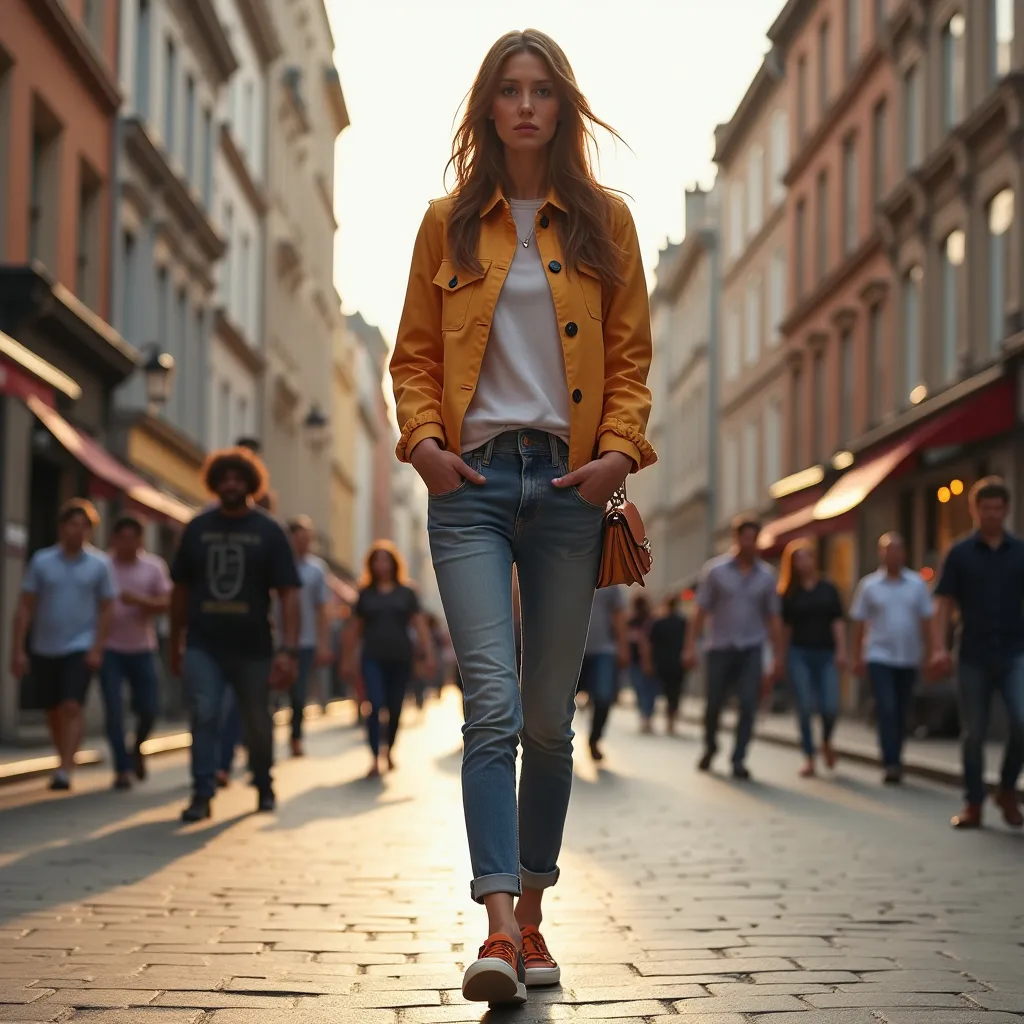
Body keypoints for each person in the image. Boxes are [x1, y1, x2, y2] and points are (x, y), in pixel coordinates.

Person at [389, 29, 654, 1006]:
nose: (527, 106)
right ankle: (498, 927)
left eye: (543, 89)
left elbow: (630, 359)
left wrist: (617, 455)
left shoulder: (604, 225)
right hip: (470, 488)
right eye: (510, 89)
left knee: (548, 722)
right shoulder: (446, 226)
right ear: (487, 107)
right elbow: (414, 354)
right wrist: (422, 446)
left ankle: (535, 911)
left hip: (568, 490)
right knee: (490, 709)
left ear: (563, 107)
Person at [170, 447, 301, 821]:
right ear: (214, 483)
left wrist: (289, 649)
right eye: (224, 478)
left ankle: (263, 782)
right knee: (205, 712)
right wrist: (176, 640)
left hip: (254, 646)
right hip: (203, 642)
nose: (230, 484)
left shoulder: (269, 531)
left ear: (250, 484)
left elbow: (289, 593)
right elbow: (179, 589)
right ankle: (202, 793)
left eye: (238, 479)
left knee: (258, 721)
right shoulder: (198, 528)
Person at [931, 477, 1024, 830]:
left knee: (1022, 722)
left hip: (1015, 649)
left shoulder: (1019, 551)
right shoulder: (959, 553)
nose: (992, 515)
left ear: (1007, 510)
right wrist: (938, 646)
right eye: (985, 509)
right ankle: (973, 801)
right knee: (974, 732)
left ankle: (1007, 789)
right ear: (975, 510)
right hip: (972, 652)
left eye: (998, 509)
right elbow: (943, 603)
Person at [10, 499, 116, 791]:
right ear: (61, 528)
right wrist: (17, 648)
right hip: (45, 645)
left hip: (79, 645)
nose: (78, 531)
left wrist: (97, 646)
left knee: (71, 704)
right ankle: (63, 755)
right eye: (73, 524)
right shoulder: (42, 562)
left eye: (84, 526)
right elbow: (25, 606)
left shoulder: (100, 565)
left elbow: (108, 607)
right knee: (53, 708)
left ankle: (65, 768)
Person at [683, 517, 781, 781]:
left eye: (754, 538)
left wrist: (778, 656)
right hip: (720, 648)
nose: (750, 543)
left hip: (751, 647)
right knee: (713, 703)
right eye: (745, 538)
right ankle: (710, 745)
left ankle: (739, 759)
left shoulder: (767, 576)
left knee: (749, 704)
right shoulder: (715, 571)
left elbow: (773, 617)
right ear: (736, 539)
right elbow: (700, 611)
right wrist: (690, 646)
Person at [850, 532, 934, 785]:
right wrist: (858, 657)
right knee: (886, 707)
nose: (892, 555)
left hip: (908, 656)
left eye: (897, 549)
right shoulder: (869, 585)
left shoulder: (917, 584)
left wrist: (931, 652)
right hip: (879, 655)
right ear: (881, 554)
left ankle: (897, 755)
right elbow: (860, 623)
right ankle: (890, 762)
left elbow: (926, 620)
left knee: (901, 709)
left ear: (904, 553)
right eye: (888, 550)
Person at [344, 542, 435, 776]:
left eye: (386, 560)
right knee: (374, 705)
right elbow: (355, 629)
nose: (381, 565)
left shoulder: (407, 593)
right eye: (377, 560)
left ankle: (389, 751)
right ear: (371, 565)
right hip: (372, 657)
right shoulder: (365, 594)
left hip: (400, 658)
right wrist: (347, 659)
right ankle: (374, 757)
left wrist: (428, 654)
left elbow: (420, 625)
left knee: (395, 708)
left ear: (394, 564)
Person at [101, 515, 172, 789]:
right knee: (114, 708)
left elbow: (168, 602)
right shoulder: (103, 566)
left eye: (134, 539)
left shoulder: (153, 567)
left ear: (141, 541)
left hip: (143, 648)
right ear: (114, 539)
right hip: (109, 649)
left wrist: (141, 601)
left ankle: (137, 746)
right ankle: (122, 768)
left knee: (150, 707)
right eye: (123, 539)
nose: (128, 544)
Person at [778, 539, 846, 778]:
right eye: (798, 558)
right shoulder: (788, 593)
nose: (803, 562)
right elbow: (784, 628)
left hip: (826, 653)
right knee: (805, 706)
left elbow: (837, 621)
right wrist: (780, 658)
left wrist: (841, 650)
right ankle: (809, 756)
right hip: (799, 654)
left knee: (829, 706)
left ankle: (826, 740)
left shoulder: (828, 588)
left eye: (807, 556)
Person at [284, 516, 332, 757]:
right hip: (276, 640)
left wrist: (323, 644)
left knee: (298, 692)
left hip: (305, 641)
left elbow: (322, 609)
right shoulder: (278, 563)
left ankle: (295, 737)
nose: (304, 542)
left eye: (308, 538)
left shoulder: (316, 569)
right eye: (299, 537)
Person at [578, 585, 628, 761]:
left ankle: (594, 740)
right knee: (560, 699)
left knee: (603, 697)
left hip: (603, 650)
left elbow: (619, 614)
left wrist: (623, 647)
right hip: (570, 649)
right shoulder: (565, 565)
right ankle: (557, 743)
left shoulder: (610, 575)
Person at [648, 594, 688, 734]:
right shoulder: (683, 623)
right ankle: (670, 722)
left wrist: (649, 662)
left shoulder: (658, 622)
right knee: (674, 693)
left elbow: (650, 643)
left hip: (661, 662)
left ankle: (648, 719)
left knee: (656, 691)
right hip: (677, 663)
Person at [626, 595, 658, 733]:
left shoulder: (650, 620)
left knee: (647, 690)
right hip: (635, 661)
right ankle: (645, 716)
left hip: (646, 661)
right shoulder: (631, 621)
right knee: (642, 690)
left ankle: (646, 716)